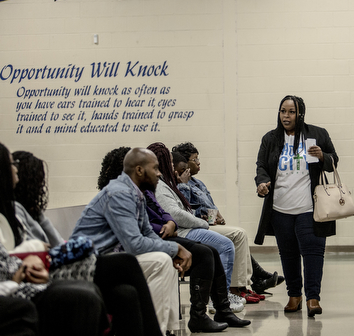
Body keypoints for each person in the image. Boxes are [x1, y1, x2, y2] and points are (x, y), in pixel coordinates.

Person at [96, 146, 251, 331]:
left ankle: (221, 310)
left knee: (211, 251)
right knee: (203, 253)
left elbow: (162, 212)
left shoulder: (141, 189)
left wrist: (169, 223)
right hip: (142, 243)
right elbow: (138, 228)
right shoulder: (118, 193)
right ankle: (198, 316)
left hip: (160, 235)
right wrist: (166, 230)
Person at [72, 147, 192, 335]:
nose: (159, 174)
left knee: (164, 260)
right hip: (87, 264)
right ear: (139, 170)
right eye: (155, 169)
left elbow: (147, 234)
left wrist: (170, 251)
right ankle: (155, 331)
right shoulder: (120, 193)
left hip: (113, 260)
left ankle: (166, 330)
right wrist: (175, 247)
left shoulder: (136, 194)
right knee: (160, 262)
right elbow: (134, 245)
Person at [0, 143, 110, 336]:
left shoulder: (25, 211)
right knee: (106, 278)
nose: (15, 168)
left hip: (34, 268)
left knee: (120, 288)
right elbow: (45, 248)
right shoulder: (16, 211)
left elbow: (53, 244)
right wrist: (22, 270)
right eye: (11, 163)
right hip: (30, 273)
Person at [255, 95, 338, 317]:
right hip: (280, 209)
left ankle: (313, 298)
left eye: (291, 112)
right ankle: (294, 296)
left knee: (313, 252)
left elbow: (334, 161)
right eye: (283, 111)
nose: (286, 116)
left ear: (300, 113)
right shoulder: (270, 139)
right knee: (288, 253)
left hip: (310, 208)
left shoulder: (317, 134)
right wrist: (262, 183)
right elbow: (261, 166)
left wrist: (323, 156)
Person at [171, 143, 282, 295]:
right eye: (194, 159)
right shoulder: (179, 184)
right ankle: (240, 286)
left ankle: (251, 281)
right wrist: (184, 187)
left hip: (207, 224)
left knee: (237, 235)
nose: (198, 163)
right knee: (238, 235)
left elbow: (210, 206)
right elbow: (186, 212)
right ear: (185, 163)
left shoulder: (198, 183)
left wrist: (217, 216)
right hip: (194, 227)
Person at [146, 143, 248, 309]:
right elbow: (176, 214)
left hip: (189, 227)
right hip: (184, 231)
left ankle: (222, 296)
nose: (173, 166)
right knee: (226, 245)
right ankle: (222, 297)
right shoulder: (160, 185)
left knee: (221, 247)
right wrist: (203, 222)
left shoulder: (168, 183)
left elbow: (177, 211)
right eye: (170, 163)